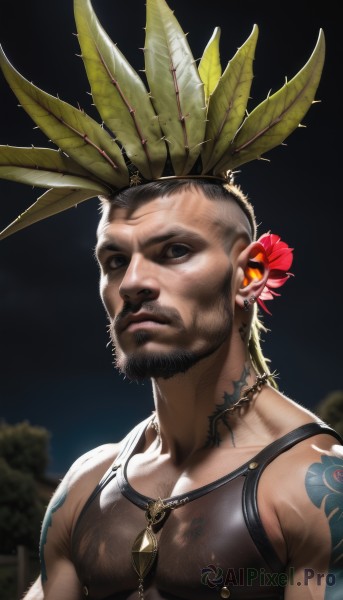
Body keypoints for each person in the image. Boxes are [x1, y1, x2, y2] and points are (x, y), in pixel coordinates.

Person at [0, 1, 341, 599]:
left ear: (250, 273)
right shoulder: (84, 486)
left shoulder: (318, 488)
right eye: (114, 260)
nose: (132, 282)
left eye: (174, 251)